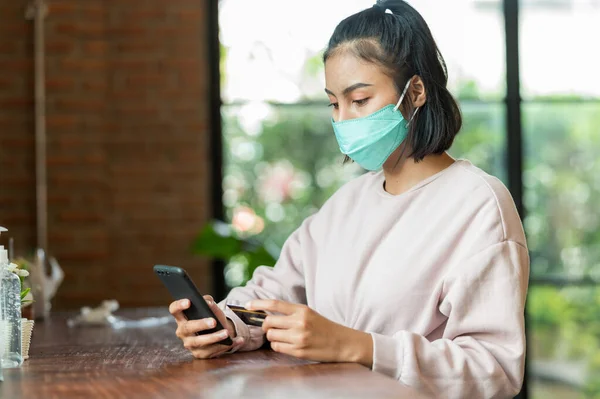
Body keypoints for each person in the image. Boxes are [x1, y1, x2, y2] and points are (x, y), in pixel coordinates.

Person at [169, 1, 529, 397]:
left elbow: (493, 369)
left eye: (359, 101)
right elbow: (270, 294)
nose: (343, 120)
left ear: (417, 91)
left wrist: (357, 346)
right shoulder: (347, 203)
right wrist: (223, 325)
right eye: (333, 103)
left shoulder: (478, 204)